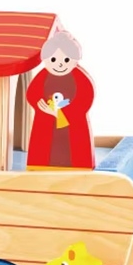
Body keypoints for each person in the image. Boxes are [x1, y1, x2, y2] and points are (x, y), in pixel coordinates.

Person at [26, 31, 95, 170]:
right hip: (46, 123)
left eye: (66, 60)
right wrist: (44, 107)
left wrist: (59, 113)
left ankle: (78, 166)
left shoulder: (81, 78)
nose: (60, 65)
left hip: (74, 126)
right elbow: (32, 94)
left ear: (75, 60)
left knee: (74, 150)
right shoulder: (42, 77)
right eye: (53, 60)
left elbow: (85, 99)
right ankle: (39, 166)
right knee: (44, 148)